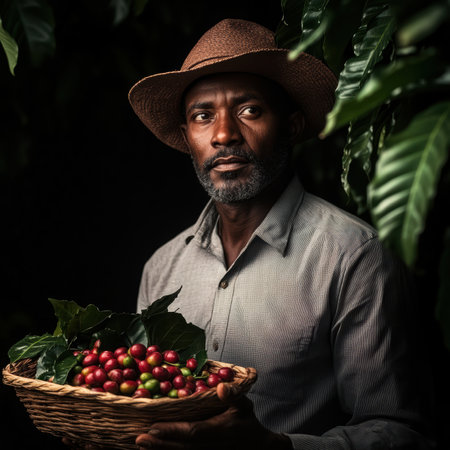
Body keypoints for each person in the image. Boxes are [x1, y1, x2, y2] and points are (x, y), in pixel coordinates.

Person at [127, 19, 434, 450]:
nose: (223, 135)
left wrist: (275, 447)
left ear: (291, 125)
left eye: (250, 110)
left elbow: (402, 435)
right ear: (186, 137)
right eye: (202, 116)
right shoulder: (161, 269)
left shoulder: (354, 257)